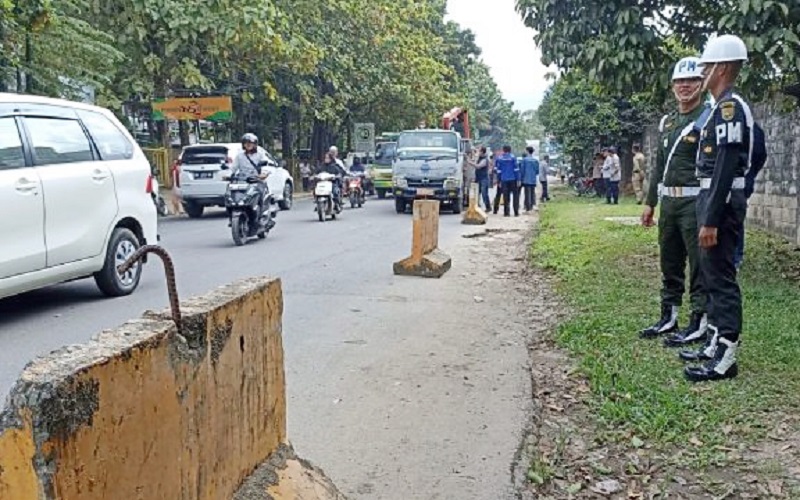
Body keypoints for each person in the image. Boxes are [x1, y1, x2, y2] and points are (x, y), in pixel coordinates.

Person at [681, 35, 757, 382]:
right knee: (710, 274)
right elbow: (759, 152)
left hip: (719, 204)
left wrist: (712, 217)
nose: (702, 74)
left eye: (706, 67)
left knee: (721, 278)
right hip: (711, 197)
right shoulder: (720, 108)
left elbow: (728, 163)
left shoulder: (731, 107)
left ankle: (726, 353)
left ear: (723, 68)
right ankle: (714, 341)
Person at [640, 56, 709, 348]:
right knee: (669, 262)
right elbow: (658, 166)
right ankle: (669, 317)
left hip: (695, 203)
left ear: (702, 84)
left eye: (691, 81)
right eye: (679, 81)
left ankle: (699, 322)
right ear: (672, 87)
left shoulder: (708, 117)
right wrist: (649, 202)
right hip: (668, 203)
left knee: (699, 265)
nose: (685, 86)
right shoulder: (667, 121)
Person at [230, 133, 269, 231]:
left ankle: (261, 217)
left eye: (250, 143)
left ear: (255, 144)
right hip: (243, 181)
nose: (248, 145)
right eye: (246, 143)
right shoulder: (239, 156)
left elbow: (266, 166)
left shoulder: (260, 155)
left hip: (257, 181)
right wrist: (228, 175)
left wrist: (263, 174)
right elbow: (233, 168)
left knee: (259, 195)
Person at [494, 145, 520, 217]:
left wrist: (499, 181)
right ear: (510, 150)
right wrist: (518, 179)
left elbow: (498, 171)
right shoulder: (513, 158)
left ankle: (506, 212)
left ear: (503, 150)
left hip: (504, 180)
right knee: (515, 196)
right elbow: (516, 170)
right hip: (513, 179)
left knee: (506, 196)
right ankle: (516, 212)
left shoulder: (500, 158)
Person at [519, 146, 539, 212]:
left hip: (526, 179)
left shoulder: (524, 160)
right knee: (532, 192)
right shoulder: (535, 161)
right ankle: (531, 206)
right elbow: (537, 171)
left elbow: (522, 170)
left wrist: (521, 179)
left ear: (527, 151)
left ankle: (528, 208)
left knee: (527, 193)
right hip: (533, 179)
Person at [474, 146, 492, 211]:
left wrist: (470, 163)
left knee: (484, 193)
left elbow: (478, 166)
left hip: (484, 178)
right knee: (477, 193)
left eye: (479, 151)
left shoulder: (484, 159)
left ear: (482, 152)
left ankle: (488, 207)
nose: (478, 152)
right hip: (479, 178)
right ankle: (477, 206)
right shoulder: (480, 158)